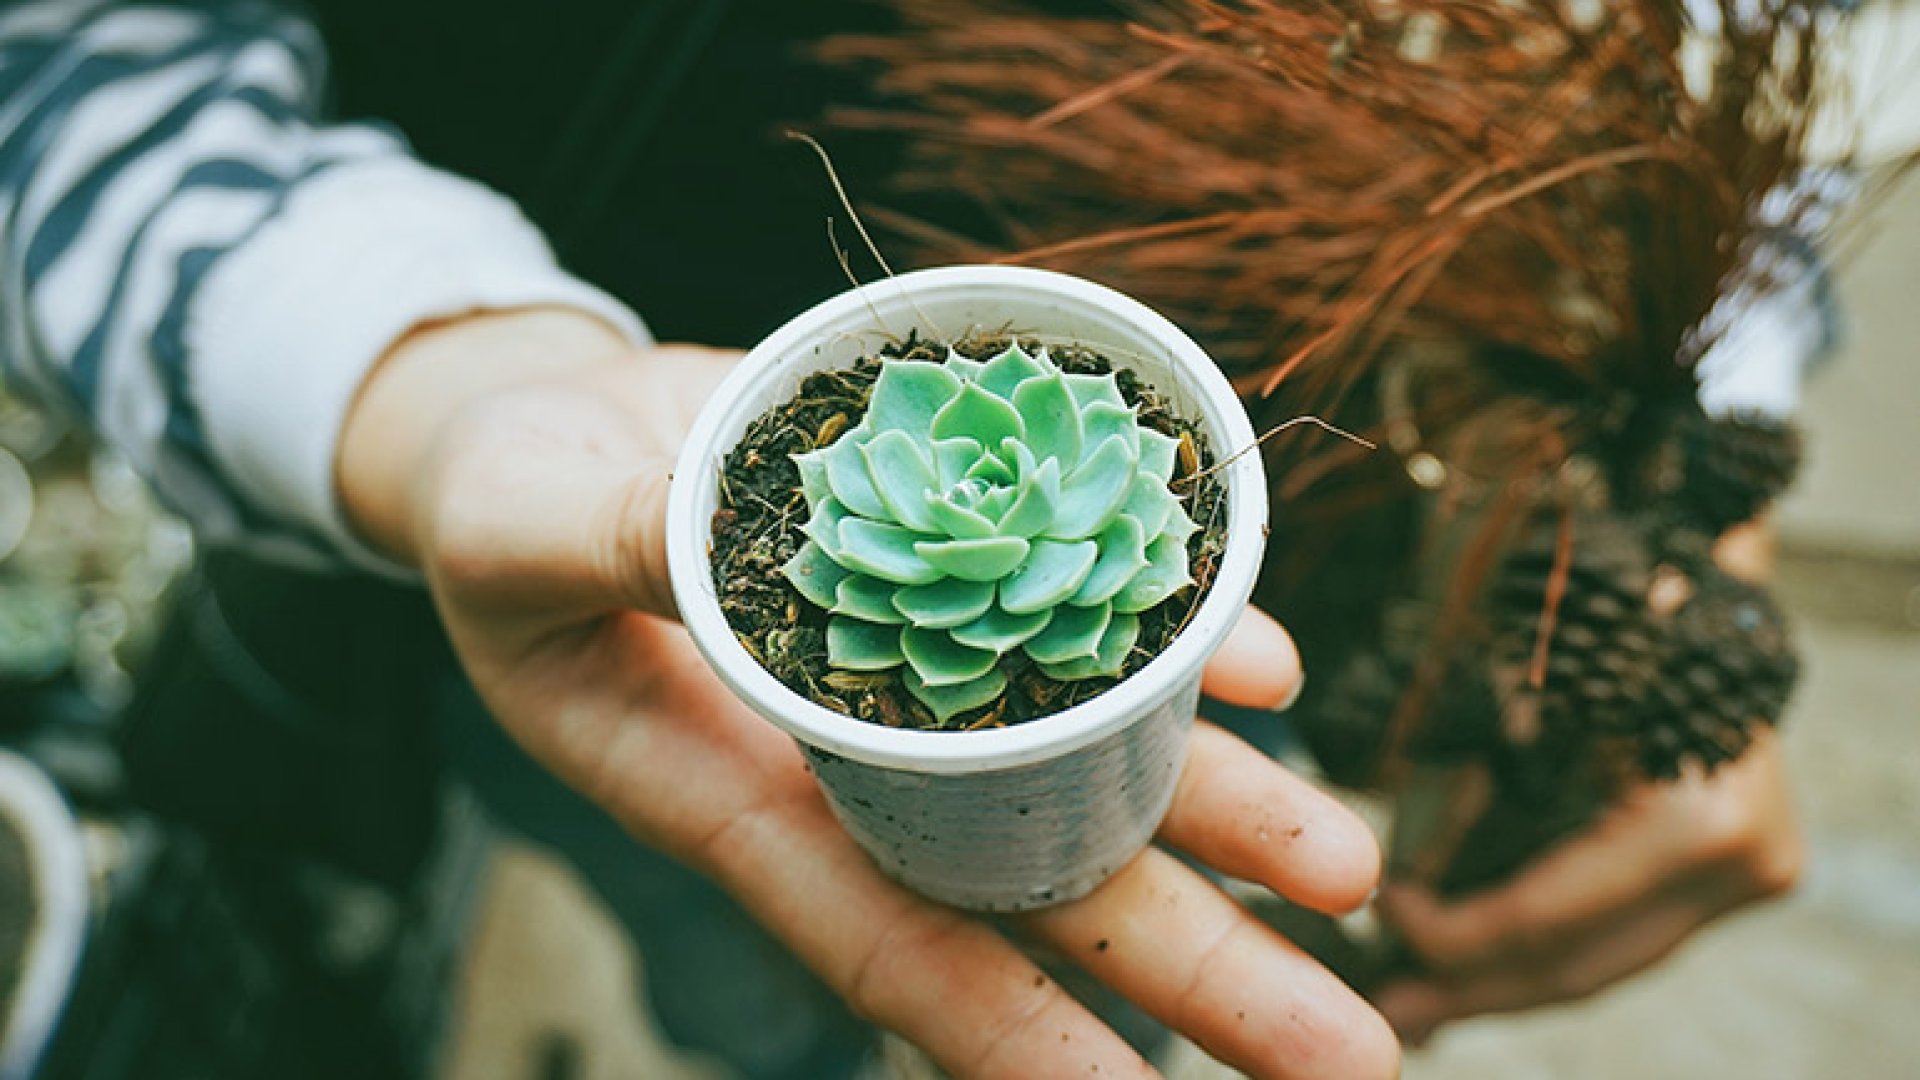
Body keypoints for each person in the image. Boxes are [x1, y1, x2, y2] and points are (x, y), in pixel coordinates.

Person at [0, 0, 1816, 1075]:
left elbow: (1731, 64)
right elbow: (59, 78)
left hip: (1336, 421)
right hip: (571, 524)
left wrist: (1669, 458)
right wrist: (429, 378)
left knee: (1216, 848)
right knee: (739, 948)